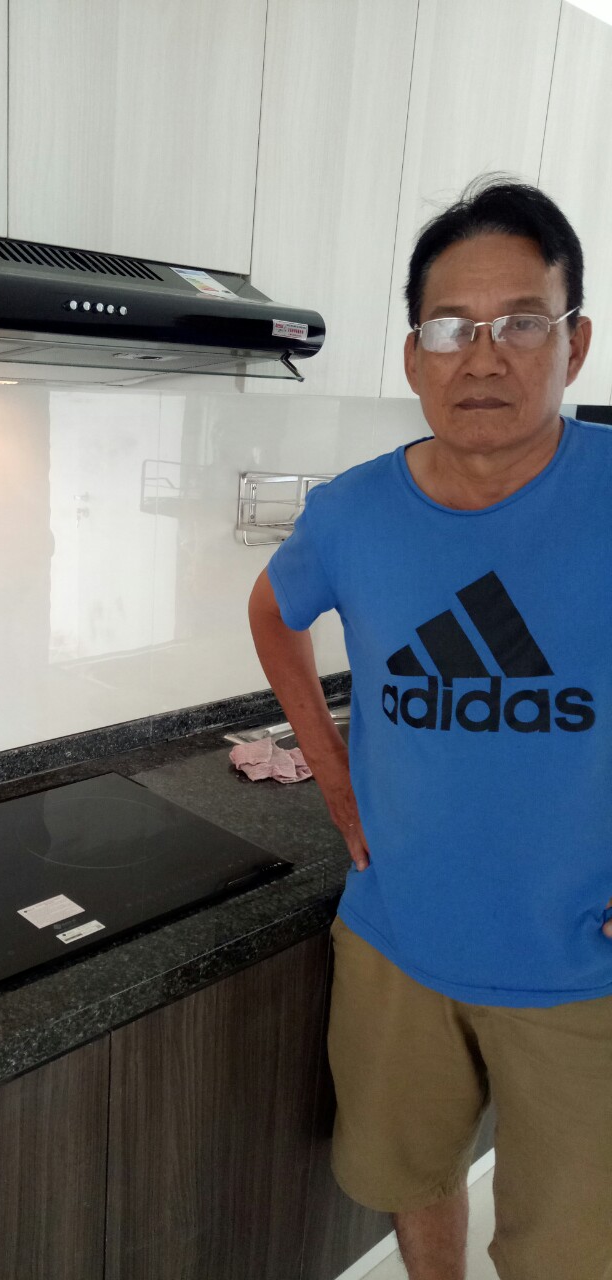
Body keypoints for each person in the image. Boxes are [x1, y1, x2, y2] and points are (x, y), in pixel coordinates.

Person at [248, 176, 612, 1280]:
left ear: (576, 342)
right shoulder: (351, 511)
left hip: (583, 963)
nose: (483, 356)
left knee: (573, 1248)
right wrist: (329, 768)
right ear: (414, 355)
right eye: (451, 327)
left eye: (522, 323)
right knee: (411, 1175)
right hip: (396, 938)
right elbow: (272, 610)